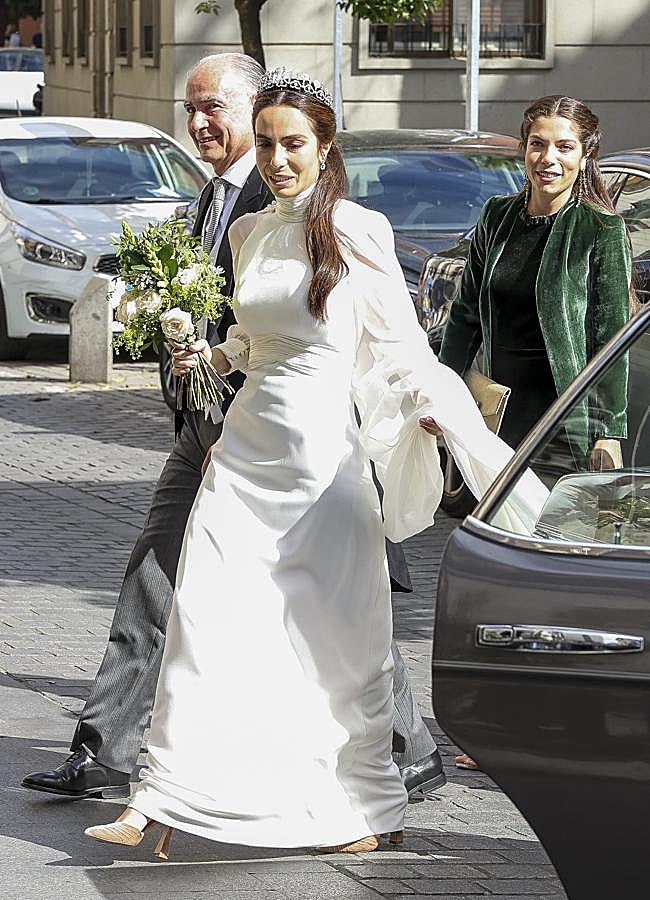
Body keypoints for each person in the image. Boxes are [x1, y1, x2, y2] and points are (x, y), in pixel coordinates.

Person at [84, 68, 546, 858]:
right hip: (243, 456)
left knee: (338, 640)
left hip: (322, 465)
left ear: (325, 145)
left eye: (293, 143)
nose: (277, 159)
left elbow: (401, 344)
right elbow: (247, 343)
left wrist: (435, 411)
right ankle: (160, 800)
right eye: (265, 143)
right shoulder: (245, 233)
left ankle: (370, 806)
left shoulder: (358, 230)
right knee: (201, 619)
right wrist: (203, 350)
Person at [21, 53, 443, 806]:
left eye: (213, 106)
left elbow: (387, 338)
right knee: (172, 583)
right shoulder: (220, 209)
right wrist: (190, 350)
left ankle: (398, 752)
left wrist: (427, 409)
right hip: (218, 427)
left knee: (326, 597)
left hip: (304, 440)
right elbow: (239, 329)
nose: (198, 122)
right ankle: (122, 760)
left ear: (264, 117)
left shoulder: (325, 211)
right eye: (190, 108)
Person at [439, 94, 634, 770]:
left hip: (567, 423)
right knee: (501, 569)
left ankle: (559, 717)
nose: (549, 159)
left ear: (584, 156)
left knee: (553, 575)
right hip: (501, 419)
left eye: (564, 147)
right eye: (538, 145)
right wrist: (442, 389)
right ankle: (502, 717)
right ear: (523, 149)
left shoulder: (598, 231)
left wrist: (607, 432)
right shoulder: (497, 217)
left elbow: (612, 336)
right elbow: (466, 313)